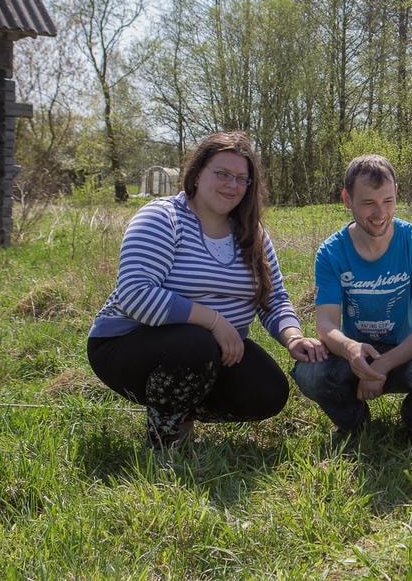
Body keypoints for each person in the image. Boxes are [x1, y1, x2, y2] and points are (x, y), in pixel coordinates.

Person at [87, 132, 327, 449]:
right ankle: (165, 439)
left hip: (211, 354)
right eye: (222, 174)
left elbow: (273, 299)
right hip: (127, 345)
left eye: (242, 179)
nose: (232, 184)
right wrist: (213, 321)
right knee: (194, 342)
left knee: (268, 390)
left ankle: (178, 407)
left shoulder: (251, 233)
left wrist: (293, 337)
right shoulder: (162, 218)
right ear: (198, 173)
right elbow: (134, 293)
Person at [292, 154, 412, 441]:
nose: (380, 213)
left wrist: (385, 363)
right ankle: (357, 426)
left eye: (388, 201)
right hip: (359, 355)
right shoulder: (331, 252)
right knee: (310, 373)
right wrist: (353, 351)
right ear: (347, 199)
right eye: (368, 203)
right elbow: (326, 325)